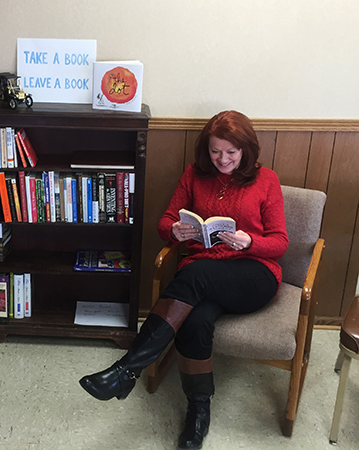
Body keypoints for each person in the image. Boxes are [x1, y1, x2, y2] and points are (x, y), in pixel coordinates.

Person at [79, 110, 288, 449]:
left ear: (247, 150)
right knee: (196, 321)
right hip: (204, 275)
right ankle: (198, 413)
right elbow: (165, 221)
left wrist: (250, 241)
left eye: (231, 152)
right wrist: (175, 229)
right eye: (215, 151)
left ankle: (126, 369)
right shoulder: (194, 175)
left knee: (193, 272)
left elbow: (280, 243)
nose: (222, 159)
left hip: (254, 274)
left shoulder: (267, 180)